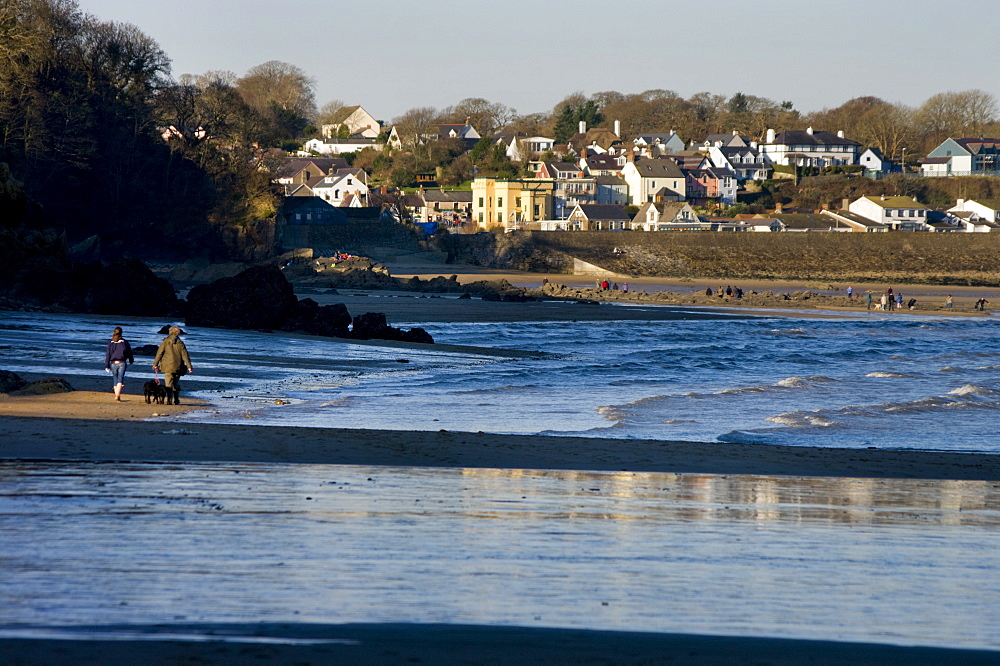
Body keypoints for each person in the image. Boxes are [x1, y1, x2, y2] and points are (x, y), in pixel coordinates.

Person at [153, 325, 193, 405]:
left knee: (168, 384)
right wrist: (189, 367)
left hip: (167, 366)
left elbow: (159, 353)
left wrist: (155, 364)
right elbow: (185, 355)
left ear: (170, 332)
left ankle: (169, 400)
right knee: (175, 383)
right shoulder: (180, 343)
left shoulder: (165, 341)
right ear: (178, 333)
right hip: (178, 366)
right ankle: (176, 399)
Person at [104, 326, 134, 402]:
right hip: (122, 362)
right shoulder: (124, 342)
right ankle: (117, 395)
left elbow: (108, 354)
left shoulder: (111, 343)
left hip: (113, 362)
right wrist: (131, 360)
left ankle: (116, 395)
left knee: (115, 378)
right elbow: (129, 352)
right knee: (120, 379)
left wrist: (106, 365)